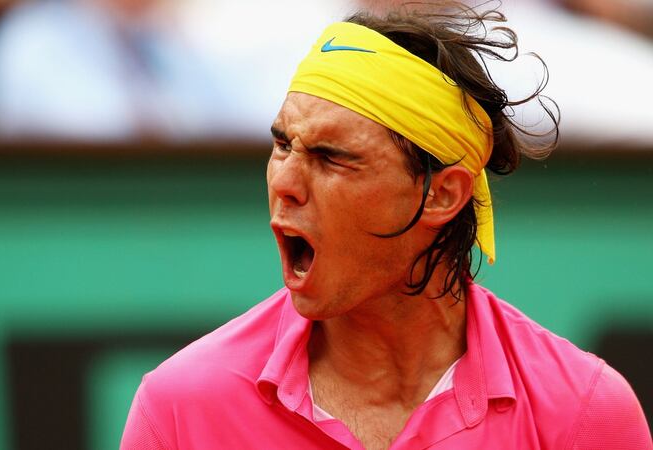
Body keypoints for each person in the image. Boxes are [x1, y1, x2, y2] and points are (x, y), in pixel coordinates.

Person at [120, 3, 652, 449]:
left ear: (441, 194)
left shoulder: (583, 413)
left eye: (331, 158)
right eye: (282, 144)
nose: (286, 181)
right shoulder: (179, 409)